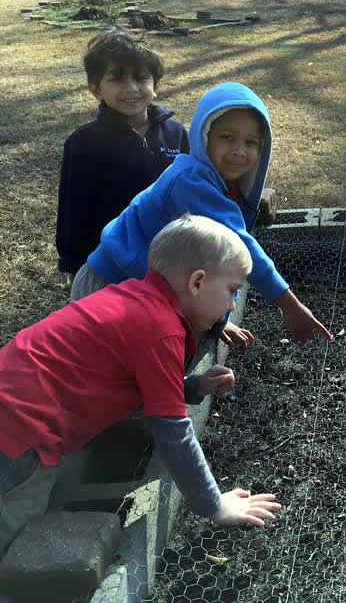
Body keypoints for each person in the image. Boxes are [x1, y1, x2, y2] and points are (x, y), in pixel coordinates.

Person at [0, 215, 282, 558]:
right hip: (22, 431)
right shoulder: (162, 330)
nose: (232, 305)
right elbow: (174, 432)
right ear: (197, 283)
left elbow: (131, 379)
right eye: (232, 291)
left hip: (13, 399)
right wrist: (214, 505)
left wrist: (191, 387)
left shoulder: (138, 299)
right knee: (17, 525)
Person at [70, 81, 332, 348]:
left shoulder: (218, 181)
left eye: (251, 142)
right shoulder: (191, 182)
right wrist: (290, 305)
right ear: (203, 136)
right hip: (112, 287)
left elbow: (207, 261)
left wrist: (216, 319)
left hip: (141, 287)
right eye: (227, 137)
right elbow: (238, 245)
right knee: (117, 377)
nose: (239, 150)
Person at [56, 29, 189, 276]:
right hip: (111, 262)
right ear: (96, 90)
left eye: (141, 78)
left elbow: (192, 188)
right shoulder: (83, 143)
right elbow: (74, 209)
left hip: (169, 257)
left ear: (156, 84)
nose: (131, 88)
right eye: (117, 79)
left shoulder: (175, 132)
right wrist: (75, 264)